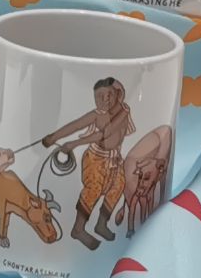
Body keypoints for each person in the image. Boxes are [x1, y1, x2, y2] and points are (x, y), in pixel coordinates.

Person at [44, 76, 137, 249]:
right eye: (99, 96)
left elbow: (105, 133)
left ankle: (101, 224)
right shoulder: (97, 115)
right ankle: (78, 229)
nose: (105, 99)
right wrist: (54, 137)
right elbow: (75, 126)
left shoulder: (123, 111)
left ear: (117, 94)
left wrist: (74, 143)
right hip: (95, 159)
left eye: (109, 95)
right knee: (92, 190)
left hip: (114, 159)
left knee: (117, 188)